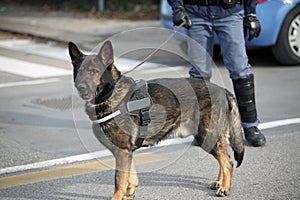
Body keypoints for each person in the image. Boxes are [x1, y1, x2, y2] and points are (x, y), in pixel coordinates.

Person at [167, 0, 266, 146]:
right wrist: (177, 7)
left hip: (230, 12)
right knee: (199, 74)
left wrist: (250, 13)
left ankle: (250, 126)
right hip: (196, 12)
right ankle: (201, 128)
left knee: (240, 69)